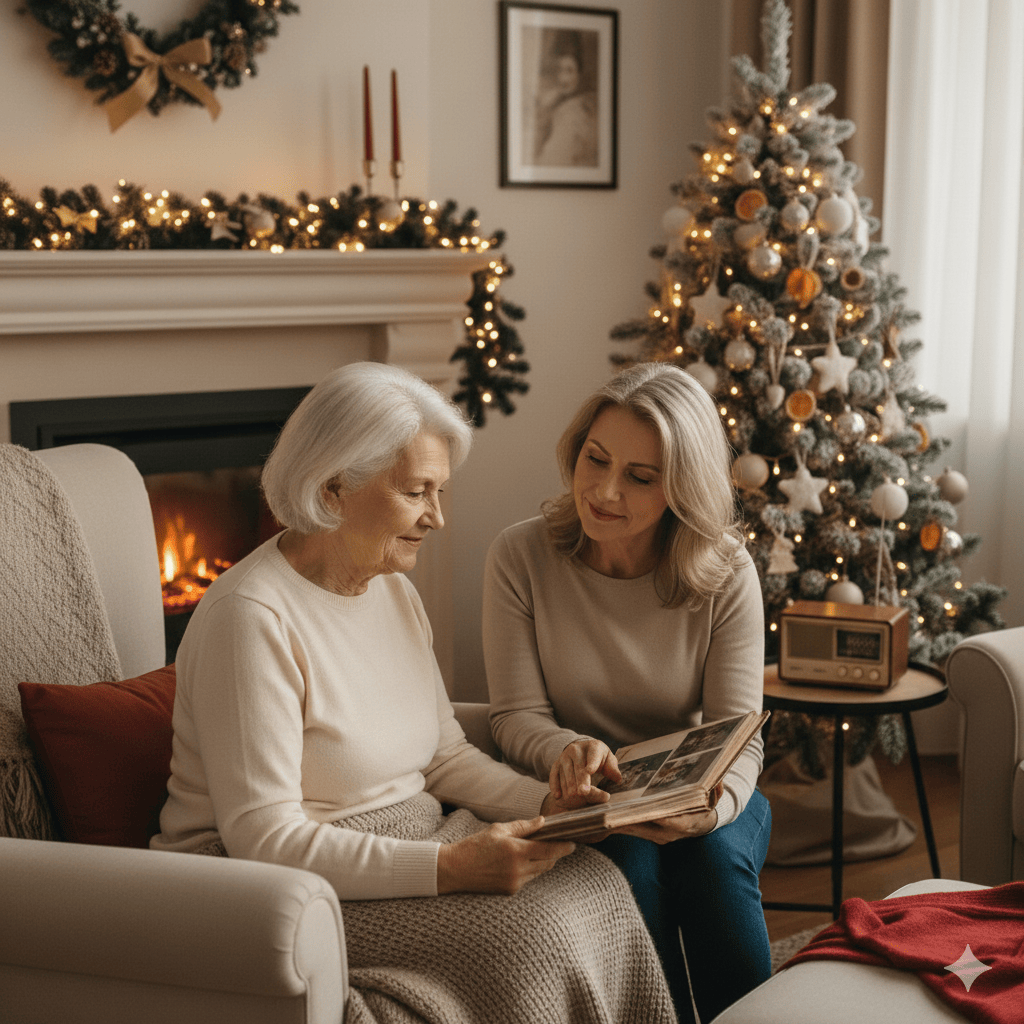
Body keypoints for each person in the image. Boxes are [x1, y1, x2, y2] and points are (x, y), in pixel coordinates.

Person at [151, 362, 677, 1024]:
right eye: (417, 492)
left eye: (439, 492)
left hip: (414, 834)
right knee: (530, 943)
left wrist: (553, 804)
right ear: (334, 487)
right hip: (278, 891)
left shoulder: (392, 590)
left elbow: (443, 757)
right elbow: (264, 836)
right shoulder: (250, 617)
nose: (437, 518)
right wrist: (453, 868)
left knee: (595, 882)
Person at [483, 362, 772, 1024]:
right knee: (629, 876)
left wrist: (713, 808)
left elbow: (738, 733)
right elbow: (514, 716)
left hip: (705, 793)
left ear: (680, 487)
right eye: (595, 459)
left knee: (716, 863)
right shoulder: (519, 556)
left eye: (639, 478)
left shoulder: (725, 570)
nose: (604, 491)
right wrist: (570, 748)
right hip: (592, 801)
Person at [533, 35, 598, 167]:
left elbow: (549, 160)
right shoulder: (553, 99)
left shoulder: (576, 109)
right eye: (560, 70)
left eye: (569, 71)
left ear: (579, 74)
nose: (563, 78)